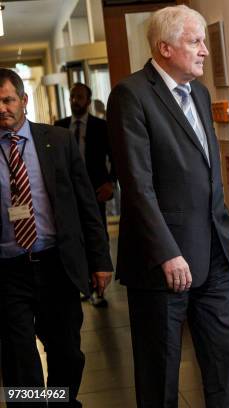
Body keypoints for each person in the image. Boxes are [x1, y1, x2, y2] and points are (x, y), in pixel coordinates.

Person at [106, 5, 229, 408]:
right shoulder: (131, 94)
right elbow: (136, 185)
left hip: (215, 252)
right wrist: (168, 252)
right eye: (194, 41)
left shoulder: (200, 94)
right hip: (163, 263)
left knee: (227, 364)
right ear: (165, 48)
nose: (204, 50)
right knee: (161, 373)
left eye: (203, 41)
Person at [0, 68, 113, 406]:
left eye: (7, 100)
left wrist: (100, 261)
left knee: (67, 354)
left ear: (24, 100)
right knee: (22, 362)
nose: (2, 108)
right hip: (8, 272)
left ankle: (62, 402)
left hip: (56, 265)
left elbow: (86, 206)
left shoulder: (58, 141)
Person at [55, 83, 115, 307]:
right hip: (67, 196)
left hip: (95, 193)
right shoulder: (59, 128)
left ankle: (100, 285)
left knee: (97, 234)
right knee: (74, 237)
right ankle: (85, 285)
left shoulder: (101, 127)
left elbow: (116, 157)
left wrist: (111, 182)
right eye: (72, 96)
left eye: (79, 97)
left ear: (88, 101)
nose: (74, 100)